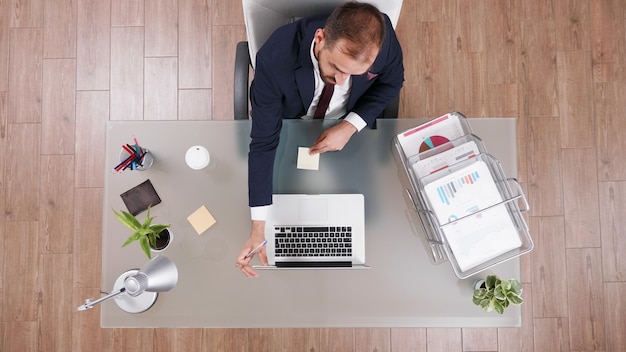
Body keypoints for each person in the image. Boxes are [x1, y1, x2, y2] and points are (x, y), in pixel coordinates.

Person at [236, 1, 404, 277]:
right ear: (320, 37)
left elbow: (392, 82)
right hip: (291, 128)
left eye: (352, 73)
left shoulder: (382, 41)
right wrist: (257, 229)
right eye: (336, 67)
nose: (340, 81)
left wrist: (350, 126)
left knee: (369, 219)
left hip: (347, 130)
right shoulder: (274, 59)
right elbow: (264, 141)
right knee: (287, 209)